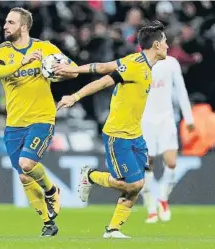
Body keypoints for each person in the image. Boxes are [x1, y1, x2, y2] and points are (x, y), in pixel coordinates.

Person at [54, 21, 168, 238]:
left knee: (137, 184)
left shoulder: (143, 66)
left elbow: (106, 67)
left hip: (135, 134)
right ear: (155, 45)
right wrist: (75, 95)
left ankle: (113, 229)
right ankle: (90, 175)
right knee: (134, 184)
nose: (167, 46)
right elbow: (104, 77)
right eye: (164, 41)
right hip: (118, 135)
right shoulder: (135, 64)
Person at [0, 7, 77, 237]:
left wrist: (57, 71)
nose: (5, 26)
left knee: (27, 164)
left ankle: (51, 190)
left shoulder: (46, 48)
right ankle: (48, 222)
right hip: (14, 123)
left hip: (42, 118)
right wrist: (23, 61)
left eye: (10, 22)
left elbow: (74, 70)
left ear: (24, 26)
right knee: (23, 175)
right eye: (6, 22)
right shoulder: (2, 50)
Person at [140, 55, 194, 224]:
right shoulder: (138, 62)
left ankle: (163, 199)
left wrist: (189, 118)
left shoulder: (171, 63)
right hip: (144, 119)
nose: (166, 46)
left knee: (171, 162)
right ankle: (150, 208)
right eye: (163, 41)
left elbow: (181, 89)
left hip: (166, 119)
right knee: (146, 164)